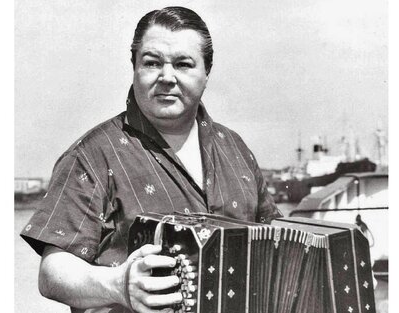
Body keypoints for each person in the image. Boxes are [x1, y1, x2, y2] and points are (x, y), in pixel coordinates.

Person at [21, 6, 282, 313]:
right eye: (152, 62)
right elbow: (52, 273)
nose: (166, 77)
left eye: (183, 64)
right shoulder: (92, 154)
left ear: (206, 73)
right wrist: (118, 285)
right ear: (134, 68)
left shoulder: (236, 149)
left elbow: (277, 239)